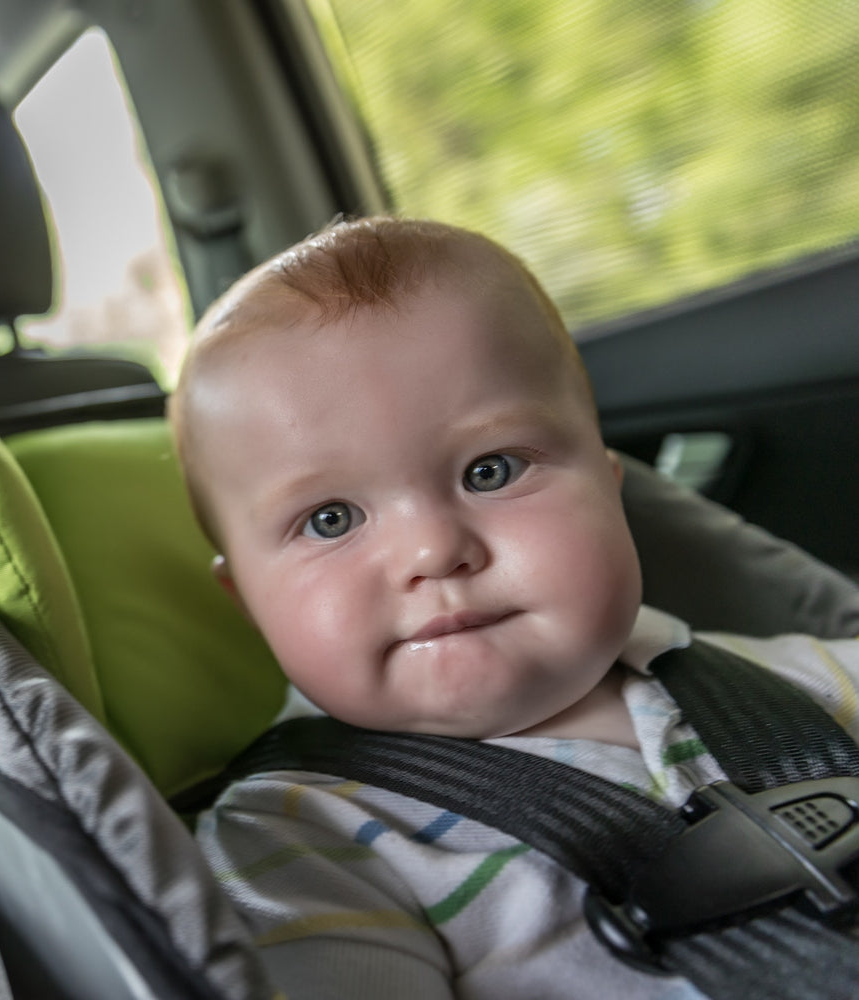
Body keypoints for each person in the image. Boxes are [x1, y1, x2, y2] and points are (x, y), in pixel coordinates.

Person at [168, 216, 859, 999]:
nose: (432, 550)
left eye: (491, 471)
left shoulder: (799, 676)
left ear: (609, 487)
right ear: (249, 603)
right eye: (330, 519)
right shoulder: (297, 843)